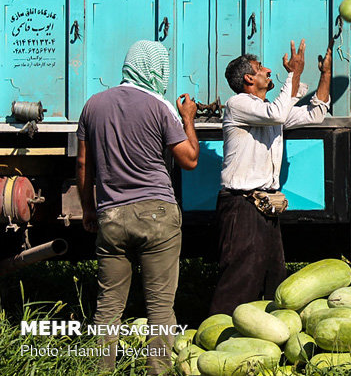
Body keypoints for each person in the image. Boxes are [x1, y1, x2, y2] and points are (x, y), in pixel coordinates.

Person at [76, 40, 199, 375]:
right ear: (156, 68)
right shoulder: (160, 106)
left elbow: (84, 164)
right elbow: (189, 159)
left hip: (111, 215)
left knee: (108, 306)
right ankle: (158, 370)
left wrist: (89, 209)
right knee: (160, 305)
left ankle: (100, 371)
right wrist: (188, 118)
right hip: (157, 215)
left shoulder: (93, 105)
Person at [209, 40, 332, 315]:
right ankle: (219, 337)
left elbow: (316, 113)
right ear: (248, 79)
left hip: (264, 205)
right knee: (240, 277)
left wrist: (324, 74)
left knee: (272, 275)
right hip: (240, 206)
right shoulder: (238, 104)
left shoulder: (268, 113)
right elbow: (276, 111)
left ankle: (262, 339)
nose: (267, 70)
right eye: (260, 67)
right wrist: (294, 74)